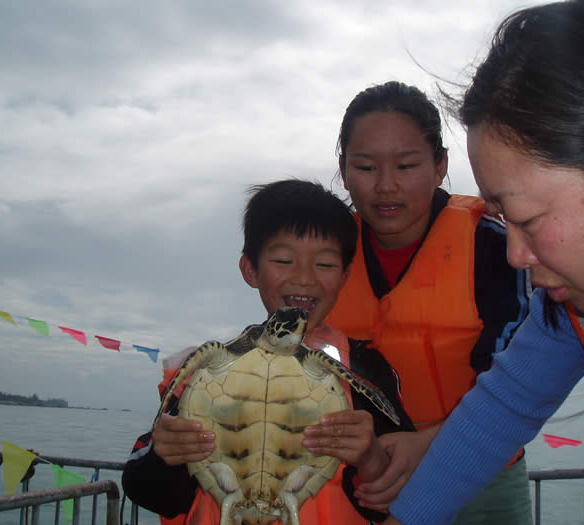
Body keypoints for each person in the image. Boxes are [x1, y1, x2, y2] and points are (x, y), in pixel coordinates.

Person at [356, 1, 584, 523]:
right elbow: (504, 405)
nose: (516, 255)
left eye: (528, 219)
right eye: (501, 219)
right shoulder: (577, 308)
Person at [303, 80, 533, 524]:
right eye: (366, 167)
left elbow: (522, 378)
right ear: (343, 170)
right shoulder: (325, 253)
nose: (386, 186)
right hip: (365, 480)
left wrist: (425, 444)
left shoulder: (493, 245)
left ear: (441, 165)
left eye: (407, 165)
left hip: (484, 474)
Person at [122, 179, 416, 524]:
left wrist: (371, 459)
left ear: (345, 276)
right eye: (283, 260)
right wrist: (165, 456)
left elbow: (406, 499)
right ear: (251, 270)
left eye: (324, 264)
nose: (304, 278)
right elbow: (149, 489)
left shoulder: (365, 368)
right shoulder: (211, 367)